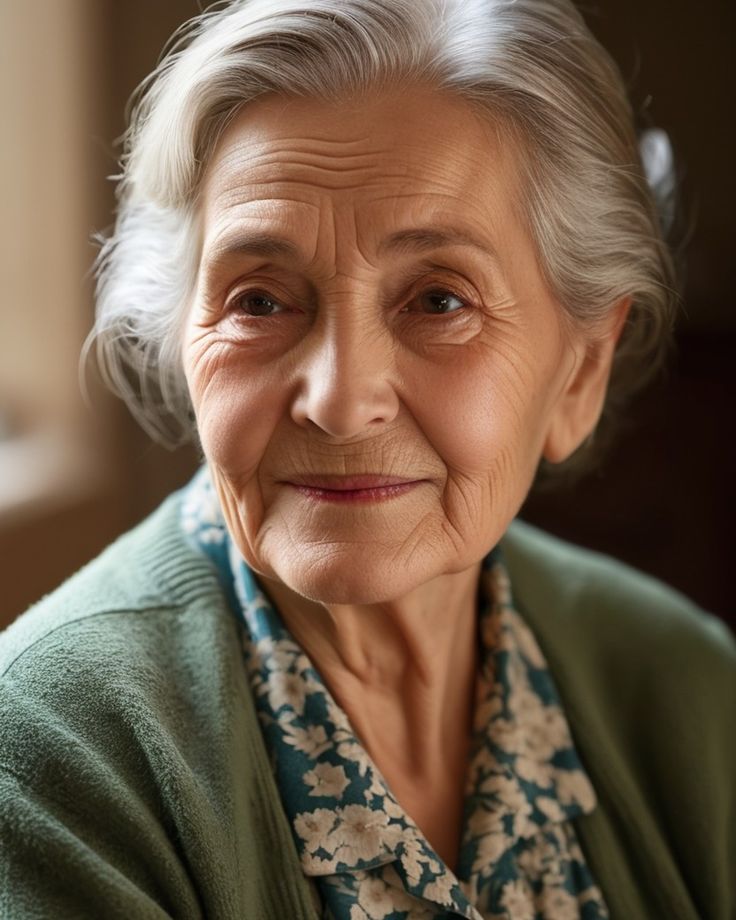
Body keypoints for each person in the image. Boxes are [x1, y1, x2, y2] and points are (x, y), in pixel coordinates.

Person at [1, 0, 733, 917]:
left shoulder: (688, 689)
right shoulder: (49, 754)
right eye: (260, 301)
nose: (342, 403)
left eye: (438, 301)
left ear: (579, 370)